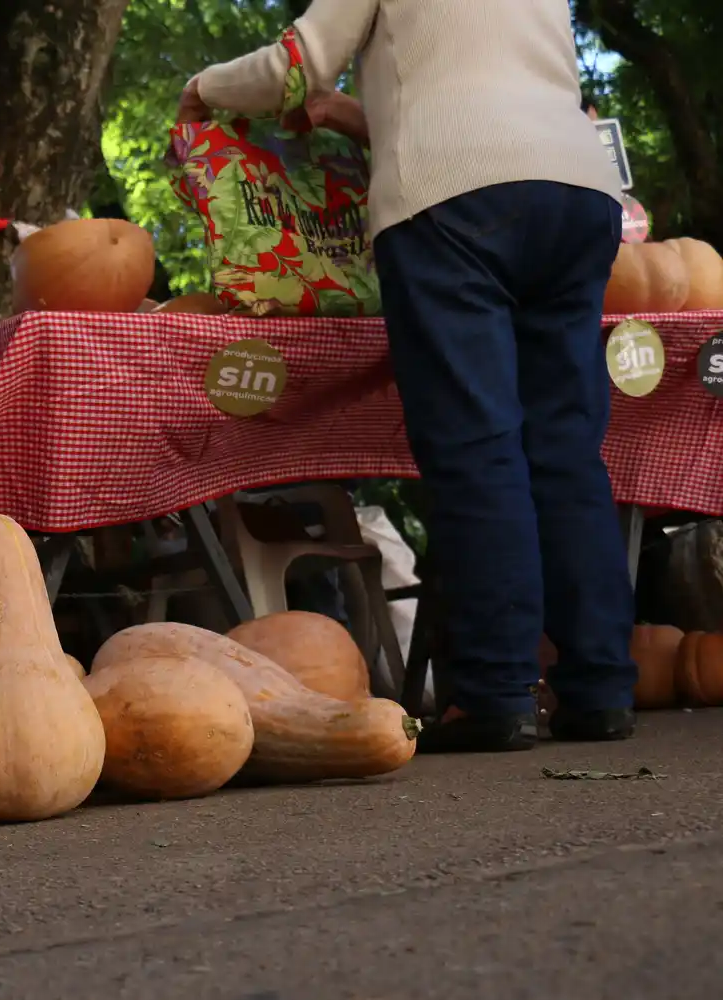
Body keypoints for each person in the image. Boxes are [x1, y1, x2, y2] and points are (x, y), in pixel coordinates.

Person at [178, 0, 637, 752]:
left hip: (451, 205)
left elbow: (299, 61)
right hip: (578, 191)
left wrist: (208, 86)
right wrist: (350, 114)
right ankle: (601, 689)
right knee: (566, 447)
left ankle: (495, 693)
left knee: (477, 446)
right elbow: (480, 89)